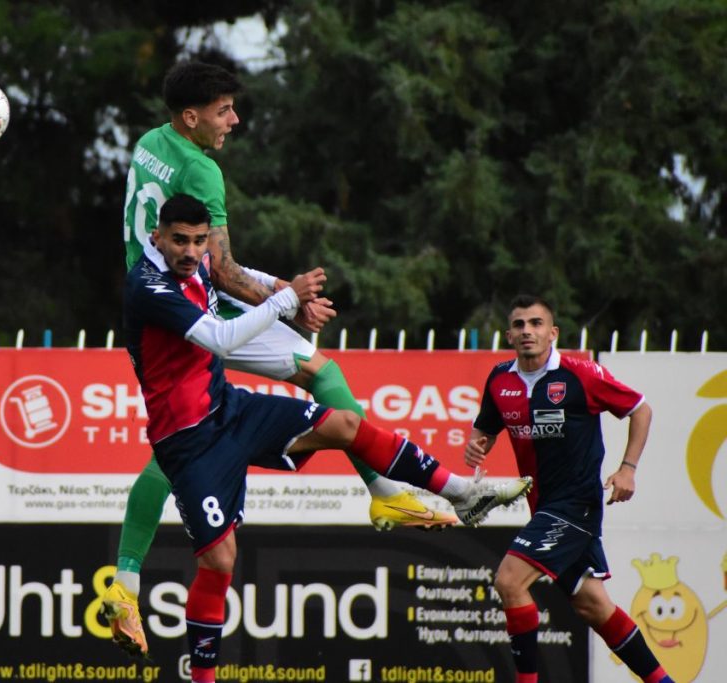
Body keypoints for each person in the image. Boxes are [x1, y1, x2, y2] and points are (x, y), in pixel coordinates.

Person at [104, 59, 460, 656]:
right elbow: (219, 268)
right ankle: (384, 492)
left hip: (158, 308)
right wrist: (289, 302)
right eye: (223, 111)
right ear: (191, 117)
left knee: (178, 438)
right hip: (198, 311)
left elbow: (211, 265)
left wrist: (287, 297)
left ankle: (126, 581)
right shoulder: (203, 170)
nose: (234, 120)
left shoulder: (150, 143)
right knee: (320, 373)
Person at [124, 194, 531, 681]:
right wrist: (286, 298)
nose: (191, 252)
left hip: (230, 408)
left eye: (198, 241)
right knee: (221, 560)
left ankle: (462, 492)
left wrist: (283, 291)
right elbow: (219, 339)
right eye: (179, 241)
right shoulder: (146, 285)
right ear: (157, 237)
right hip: (188, 443)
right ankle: (201, 676)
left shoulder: (202, 260)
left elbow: (232, 269)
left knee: (346, 424)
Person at [464, 294, 673, 683]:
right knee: (593, 606)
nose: (528, 331)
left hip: (576, 506)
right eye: (520, 325)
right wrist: (476, 446)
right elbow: (484, 430)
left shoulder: (580, 375)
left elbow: (640, 409)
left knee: (509, 580)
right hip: (542, 506)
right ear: (509, 334)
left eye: (536, 323)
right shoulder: (500, 379)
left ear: (552, 333)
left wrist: (628, 469)